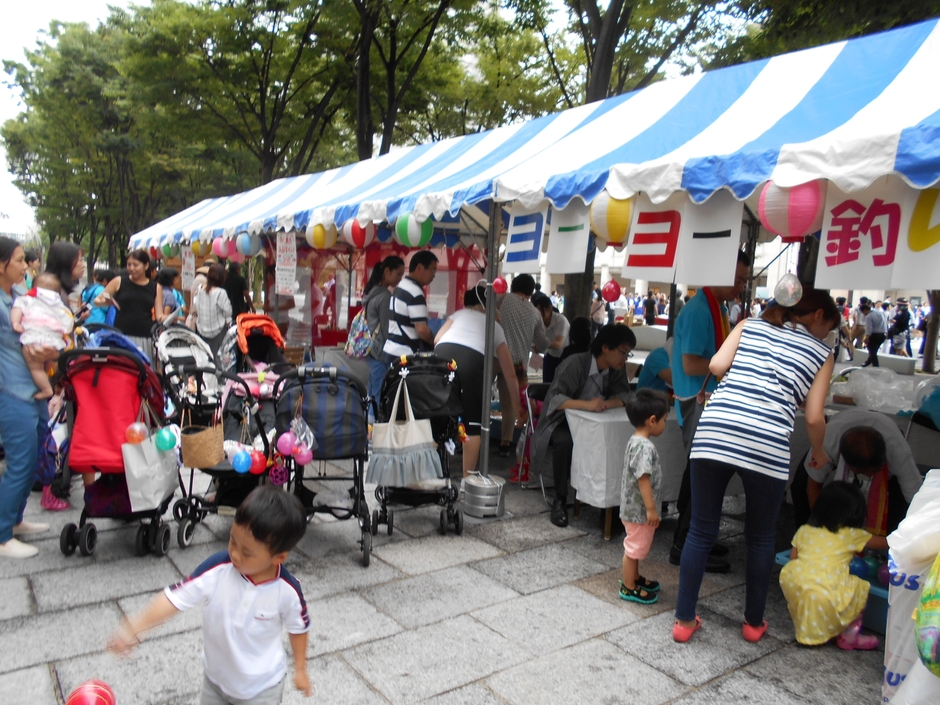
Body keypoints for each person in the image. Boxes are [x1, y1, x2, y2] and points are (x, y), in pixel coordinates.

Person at [672, 288, 840, 644]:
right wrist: (820, 452)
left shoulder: (750, 325)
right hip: (767, 442)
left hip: (716, 429)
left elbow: (717, 365)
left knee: (701, 530)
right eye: (830, 326)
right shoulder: (823, 352)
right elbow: (813, 416)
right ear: (818, 316)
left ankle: (684, 622)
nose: (828, 335)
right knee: (760, 537)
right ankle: (752, 623)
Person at [108, 486, 312, 702]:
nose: (234, 553)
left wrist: (300, 669)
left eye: (247, 552)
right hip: (215, 683)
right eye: (233, 540)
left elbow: (298, 627)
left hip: (263, 689)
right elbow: (174, 599)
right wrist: (133, 627)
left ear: (278, 557)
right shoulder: (217, 569)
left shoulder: (288, 591)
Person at [669, 251, 751, 573]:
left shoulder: (716, 308)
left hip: (707, 401)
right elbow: (691, 363)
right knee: (703, 476)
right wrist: (731, 362)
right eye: (738, 280)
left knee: (699, 475)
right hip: (697, 403)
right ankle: (684, 544)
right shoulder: (699, 310)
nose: (740, 288)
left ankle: (693, 538)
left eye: (744, 281)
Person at [532, 324, 636, 528]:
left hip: (595, 422)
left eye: (628, 354)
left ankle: (609, 503)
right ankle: (560, 500)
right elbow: (555, 399)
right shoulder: (576, 364)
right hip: (561, 420)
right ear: (605, 347)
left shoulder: (616, 369)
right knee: (565, 441)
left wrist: (607, 403)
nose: (625, 358)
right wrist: (587, 405)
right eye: (622, 352)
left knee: (614, 440)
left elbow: (624, 395)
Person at [793, 410, 924, 549]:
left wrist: (910, 541)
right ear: (847, 464)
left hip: (886, 429)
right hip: (836, 431)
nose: (868, 476)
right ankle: (807, 542)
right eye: (864, 472)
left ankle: (890, 549)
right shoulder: (826, 444)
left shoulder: (898, 453)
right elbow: (813, 486)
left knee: (899, 504)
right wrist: (823, 525)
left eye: (874, 471)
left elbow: (917, 501)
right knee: (799, 487)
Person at [0, 236, 56, 559]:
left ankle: (15, 519)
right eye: (20, 260)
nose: (26, 265)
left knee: (33, 457)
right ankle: (3, 533)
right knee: (20, 461)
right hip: (11, 389)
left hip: (35, 387)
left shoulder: (21, 295)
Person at [779, 482, 879, 650]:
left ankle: (809, 631)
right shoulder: (852, 534)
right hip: (827, 587)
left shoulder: (805, 530)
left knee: (812, 595)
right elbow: (885, 543)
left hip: (795, 582)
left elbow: (793, 557)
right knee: (859, 587)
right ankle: (849, 636)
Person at [434, 284, 519, 476]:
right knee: (473, 424)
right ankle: (467, 481)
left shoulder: (458, 315)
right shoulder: (494, 326)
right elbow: (510, 373)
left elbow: (437, 339)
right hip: (470, 362)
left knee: (437, 416)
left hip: (441, 357)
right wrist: (518, 407)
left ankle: (434, 473)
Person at [618, 388, 670, 605]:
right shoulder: (644, 447)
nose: (665, 424)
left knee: (636, 546)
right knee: (633, 549)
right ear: (652, 420)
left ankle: (635, 578)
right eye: (664, 420)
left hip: (633, 509)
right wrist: (651, 509)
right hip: (638, 511)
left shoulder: (636, 440)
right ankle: (629, 587)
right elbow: (643, 479)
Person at [495, 274, 548, 456]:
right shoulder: (535, 313)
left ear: (513, 286)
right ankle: (505, 442)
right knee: (510, 403)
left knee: (482, 397)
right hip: (517, 364)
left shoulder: (503, 300)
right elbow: (542, 344)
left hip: (494, 356)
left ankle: (473, 434)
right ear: (531, 291)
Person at [10, 273, 73, 399]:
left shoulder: (27, 298)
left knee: (35, 368)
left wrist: (15, 323)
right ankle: (46, 380)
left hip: (34, 339)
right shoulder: (59, 305)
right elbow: (68, 323)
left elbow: (17, 309)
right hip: (53, 340)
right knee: (45, 363)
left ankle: (46, 389)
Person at [94, 248, 164, 358]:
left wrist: (171, 318)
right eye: (129, 264)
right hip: (121, 334)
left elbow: (159, 315)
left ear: (146, 266)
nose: (131, 268)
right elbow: (97, 300)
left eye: (135, 265)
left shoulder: (156, 287)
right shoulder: (119, 281)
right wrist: (106, 302)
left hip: (144, 335)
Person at [361, 256, 405, 408]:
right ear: (387, 271)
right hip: (380, 352)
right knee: (379, 395)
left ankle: (370, 427)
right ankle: (377, 429)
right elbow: (388, 330)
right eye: (398, 274)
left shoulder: (371, 293)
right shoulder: (385, 297)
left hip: (371, 349)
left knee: (372, 393)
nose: (400, 278)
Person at [383, 250, 438, 358]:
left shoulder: (401, 286)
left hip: (391, 349)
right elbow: (422, 330)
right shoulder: (415, 292)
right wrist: (434, 342)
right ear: (419, 268)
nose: (434, 276)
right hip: (404, 354)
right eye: (433, 270)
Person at [192, 263, 233, 357]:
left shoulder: (200, 289)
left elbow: (196, 305)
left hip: (201, 329)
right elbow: (228, 311)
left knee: (204, 358)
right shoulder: (221, 293)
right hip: (217, 331)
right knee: (217, 359)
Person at [532, 293, 569, 384]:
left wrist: (541, 344)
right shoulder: (537, 321)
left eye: (540, 310)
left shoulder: (560, 320)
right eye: (536, 310)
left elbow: (559, 344)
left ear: (549, 309)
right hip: (549, 356)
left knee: (560, 385)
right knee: (546, 385)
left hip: (564, 357)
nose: (538, 313)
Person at [860, 301, 887, 367]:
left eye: (863, 312)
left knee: (872, 351)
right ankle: (867, 362)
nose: (864, 314)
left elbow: (869, 329)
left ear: (865, 310)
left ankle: (876, 365)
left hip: (874, 335)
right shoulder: (880, 313)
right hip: (882, 334)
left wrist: (866, 338)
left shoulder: (869, 316)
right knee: (874, 350)